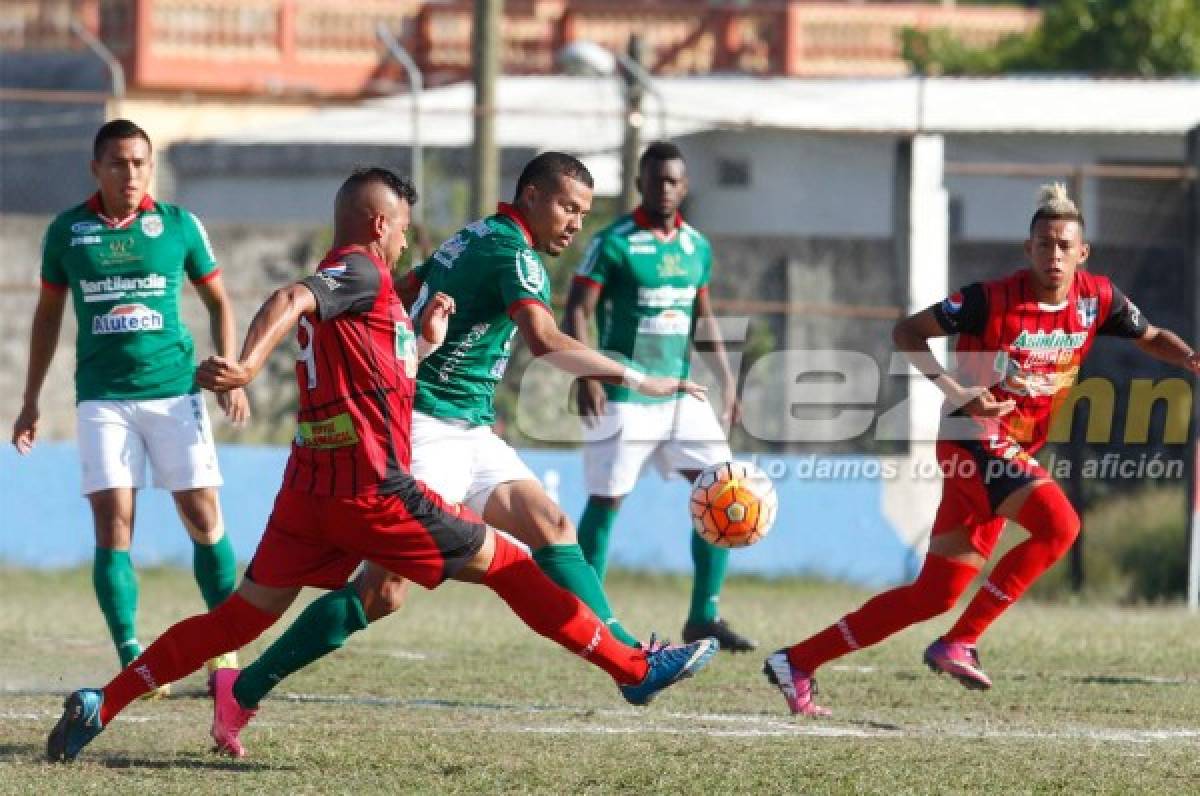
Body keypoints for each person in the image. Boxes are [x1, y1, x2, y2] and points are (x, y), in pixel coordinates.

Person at [46, 167, 718, 763]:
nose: (407, 244)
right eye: (400, 230)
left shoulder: (379, 294)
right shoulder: (361, 270)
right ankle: (632, 666)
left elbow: (372, 369)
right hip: (373, 488)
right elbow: (290, 297)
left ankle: (104, 701)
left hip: (309, 490)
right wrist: (247, 366)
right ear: (378, 225)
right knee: (509, 564)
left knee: (239, 620)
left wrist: (419, 342)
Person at [764, 183, 1200, 716]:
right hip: (972, 442)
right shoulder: (988, 300)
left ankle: (798, 661)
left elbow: (1149, 333)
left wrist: (1186, 358)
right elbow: (907, 333)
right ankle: (959, 642)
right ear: (1028, 249)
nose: (1054, 254)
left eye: (1065, 245)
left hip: (1008, 451)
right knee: (1060, 525)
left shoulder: (1097, 299)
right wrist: (957, 390)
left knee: (935, 594)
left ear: (1082, 253)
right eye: (1044, 243)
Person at [13, 119, 245, 694]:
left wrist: (231, 370)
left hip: (174, 394)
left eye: (141, 162)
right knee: (114, 524)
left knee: (203, 518)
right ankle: (131, 651)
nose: (132, 173)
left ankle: (226, 646)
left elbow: (219, 300)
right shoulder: (67, 232)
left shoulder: (178, 226)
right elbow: (46, 319)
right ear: (97, 168)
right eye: (119, 163)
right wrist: (30, 400)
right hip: (103, 400)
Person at [563, 141, 753, 652]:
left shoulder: (697, 247)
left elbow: (702, 318)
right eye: (655, 180)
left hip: (682, 393)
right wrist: (587, 376)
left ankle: (703, 617)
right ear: (639, 184)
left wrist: (728, 379)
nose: (664, 189)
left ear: (685, 186)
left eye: (673, 181)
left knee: (724, 490)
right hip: (624, 393)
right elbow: (578, 309)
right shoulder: (614, 242)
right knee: (606, 502)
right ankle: (584, 618)